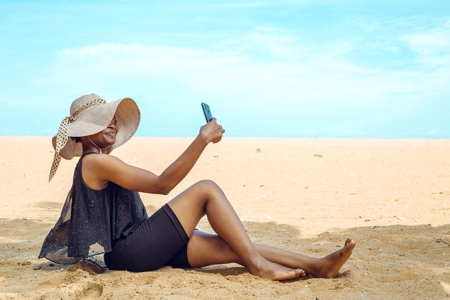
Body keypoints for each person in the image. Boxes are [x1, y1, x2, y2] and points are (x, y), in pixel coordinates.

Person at [39, 93, 356, 281]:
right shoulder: (94, 162)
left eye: (112, 119)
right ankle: (260, 267)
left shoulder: (101, 162)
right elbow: (163, 185)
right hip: (129, 253)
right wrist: (202, 138)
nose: (112, 124)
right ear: (81, 134)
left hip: (139, 248)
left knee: (232, 244)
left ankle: (318, 266)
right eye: (101, 120)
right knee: (206, 189)